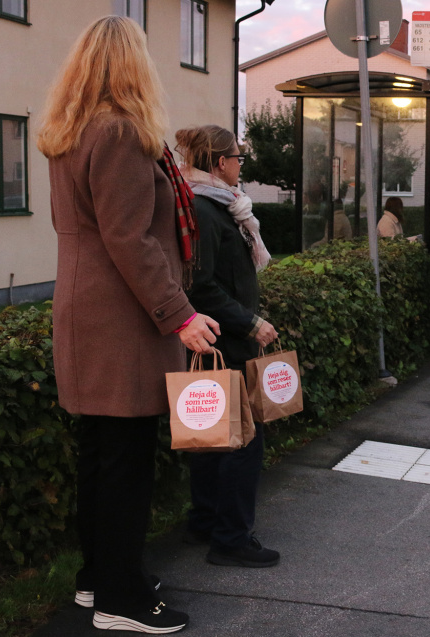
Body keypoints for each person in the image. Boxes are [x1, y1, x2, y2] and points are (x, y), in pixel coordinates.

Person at [37, 15, 219, 634]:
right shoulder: (119, 132)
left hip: (89, 310)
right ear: (131, 65)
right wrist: (181, 314)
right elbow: (130, 239)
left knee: (101, 456)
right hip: (121, 319)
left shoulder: (73, 130)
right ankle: (123, 599)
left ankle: (100, 578)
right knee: (126, 461)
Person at [174, 124, 281, 569]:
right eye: (238, 158)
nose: (241, 165)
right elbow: (199, 288)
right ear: (220, 163)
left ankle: (206, 521)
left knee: (211, 437)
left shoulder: (220, 207)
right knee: (241, 442)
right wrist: (251, 322)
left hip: (219, 343)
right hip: (222, 343)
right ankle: (231, 539)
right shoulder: (204, 208)